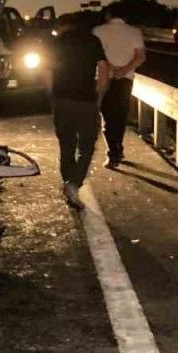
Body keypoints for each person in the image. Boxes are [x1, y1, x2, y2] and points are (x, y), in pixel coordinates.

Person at [46, 14, 111, 208]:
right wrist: (99, 97)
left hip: (63, 100)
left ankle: (69, 182)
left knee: (66, 145)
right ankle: (74, 183)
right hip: (86, 101)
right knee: (87, 146)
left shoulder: (56, 42)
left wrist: (52, 96)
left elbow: (47, 72)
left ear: (63, 26)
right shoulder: (92, 41)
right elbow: (104, 70)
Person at [92, 6, 146, 168]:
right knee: (120, 115)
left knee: (106, 115)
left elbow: (94, 55)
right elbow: (140, 57)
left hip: (103, 78)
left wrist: (110, 68)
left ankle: (113, 151)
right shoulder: (134, 32)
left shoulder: (98, 31)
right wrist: (124, 70)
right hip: (125, 79)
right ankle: (118, 148)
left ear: (108, 16)